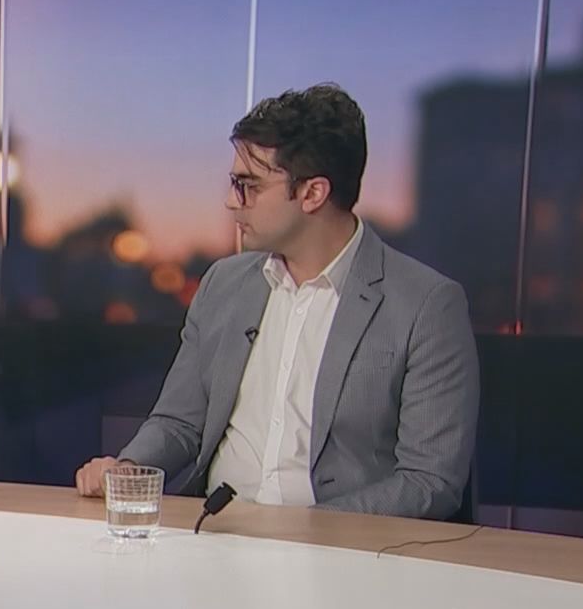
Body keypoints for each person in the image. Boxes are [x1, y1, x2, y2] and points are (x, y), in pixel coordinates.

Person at [75, 84, 478, 520]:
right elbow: (180, 421)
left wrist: (304, 531)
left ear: (312, 194)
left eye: (247, 186)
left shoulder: (424, 305)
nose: (231, 202)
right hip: (215, 533)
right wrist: (128, 469)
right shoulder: (223, 284)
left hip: (340, 547)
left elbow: (428, 481)